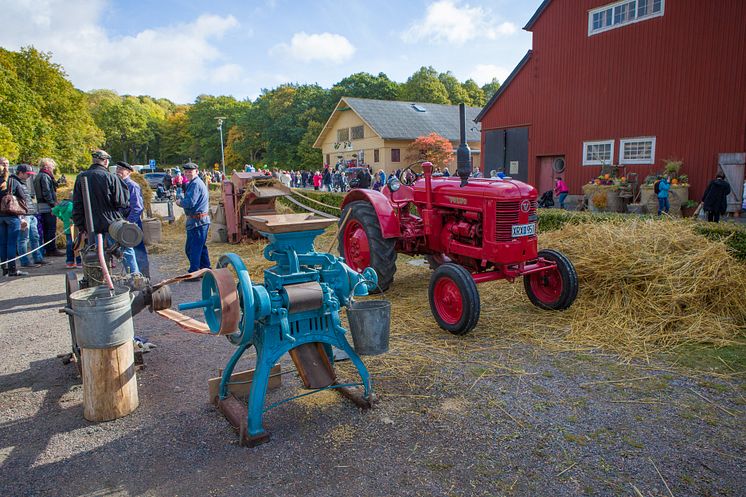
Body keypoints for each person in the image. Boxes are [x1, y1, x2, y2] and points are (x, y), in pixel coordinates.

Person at [72, 150, 137, 273]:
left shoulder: (81, 177)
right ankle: (135, 277)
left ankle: (99, 280)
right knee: (126, 249)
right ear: (106, 161)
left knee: (95, 253)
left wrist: (81, 226)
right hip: (112, 222)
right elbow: (122, 202)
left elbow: (77, 205)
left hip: (91, 224)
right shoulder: (111, 177)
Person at [176, 162, 211, 276]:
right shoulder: (194, 182)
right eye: (186, 171)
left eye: (190, 171)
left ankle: (194, 272)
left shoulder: (195, 184)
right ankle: (205, 269)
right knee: (200, 247)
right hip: (198, 221)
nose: (187, 173)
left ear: (196, 171)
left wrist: (179, 202)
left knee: (192, 248)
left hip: (198, 221)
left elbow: (190, 203)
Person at [115, 161, 149, 276]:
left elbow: (137, 208)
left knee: (138, 251)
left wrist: (128, 223)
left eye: (121, 169)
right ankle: (132, 276)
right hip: (121, 222)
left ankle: (144, 277)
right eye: (118, 169)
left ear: (128, 172)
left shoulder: (132, 186)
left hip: (131, 223)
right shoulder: (116, 184)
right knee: (126, 251)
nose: (118, 171)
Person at [0, 159, 29, 277]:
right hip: (12, 215)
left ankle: (4, 269)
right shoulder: (12, 181)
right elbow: (23, 197)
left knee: (2, 243)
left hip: (0, 217)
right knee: (11, 244)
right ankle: (12, 269)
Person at [15, 164, 45, 268]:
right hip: (24, 214)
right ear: (21, 173)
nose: (29, 176)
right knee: (24, 239)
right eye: (27, 174)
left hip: (31, 213)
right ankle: (25, 261)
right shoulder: (15, 182)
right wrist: (21, 216)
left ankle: (38, 258)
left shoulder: (23, 183)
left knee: (35, 237)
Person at [34, 158, 63, 256]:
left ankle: (48, 249)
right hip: (47, 206)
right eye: (52, 166)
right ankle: (51, 249)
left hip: (41, 205)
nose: (53, 168)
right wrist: (52, 203)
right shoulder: (45, 176)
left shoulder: (39, 176)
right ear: (46, 166)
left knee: (46, 229)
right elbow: (46, 192)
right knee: (50, 228)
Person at [52, 198, 81, 268]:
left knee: (69, 245)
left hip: (67, 228)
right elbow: (72, 213)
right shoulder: (71, 205)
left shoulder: (61, 205)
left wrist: (62, 217)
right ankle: (79, 262)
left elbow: (54, 211)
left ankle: (69, 262)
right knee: (77, 245)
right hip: (74, 227)